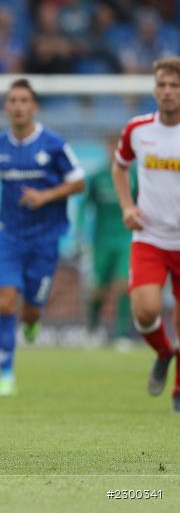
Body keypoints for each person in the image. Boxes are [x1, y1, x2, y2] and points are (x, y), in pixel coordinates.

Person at [0, 79, 86, 397]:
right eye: (13, 100)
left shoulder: (53, 144)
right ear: (6, 106)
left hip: (45, 238)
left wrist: (45, 196)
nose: (18, 106)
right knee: (5, 299)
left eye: (24, 100)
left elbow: (78, 182)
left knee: (31, 310)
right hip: (9, 236)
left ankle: (31, 321)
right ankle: (5, 375)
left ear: (35, 106)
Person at [112, 57, 180, 414]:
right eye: (162, 85)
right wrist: (127, 206)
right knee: (145, 311)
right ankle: (164, 352)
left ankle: (178, 391)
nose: (167, 91)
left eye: (174, 85)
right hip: (150, 238)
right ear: (154, 90)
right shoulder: (137, 129)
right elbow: (119, 167)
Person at [77, 135, 134, 348]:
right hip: (101, 242)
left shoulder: (134, 177)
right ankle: (92, 330)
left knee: (124, 284)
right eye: (111, 147)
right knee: (98, 288)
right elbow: (84, 204)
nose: (115, 151)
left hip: (126, 239)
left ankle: (121, 335)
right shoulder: (98, 177)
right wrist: (80, 230)